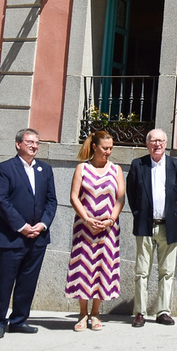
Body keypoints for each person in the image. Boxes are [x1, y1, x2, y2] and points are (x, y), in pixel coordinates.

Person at [0, 128, 57, 338]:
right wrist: (22, 226)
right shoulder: (5, 168)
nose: (34, 146)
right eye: (29, 142)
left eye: (37, 142)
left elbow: (51, 201)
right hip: (11, 237)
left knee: (28, 282)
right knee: (5, 282)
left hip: (37, 238)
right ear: (18, 144)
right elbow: (2, 200)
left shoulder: (45, 170)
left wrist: (43, 225)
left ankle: (19, 320)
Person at [126, 128, 177, 327]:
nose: (157, 144)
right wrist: (139, 214)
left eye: (160, 141)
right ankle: (140, 313)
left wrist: (172, 216)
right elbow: (132, 195)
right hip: (145, 224)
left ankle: (163, 312)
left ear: (166, 143)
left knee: (167, 271)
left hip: (168, 227)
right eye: (153, 141)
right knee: (141, 271)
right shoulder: (138, 165)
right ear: (147, 144)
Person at [66, 131, 125, 332]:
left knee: (102, 268)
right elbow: (74, 197)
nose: (108, 152)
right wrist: (87, 219)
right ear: (94, 147)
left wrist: (110, 220)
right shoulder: (82, 168)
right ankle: (82, 313)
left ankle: (97, 312)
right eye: (105, 148)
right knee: (83, 267)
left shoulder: (116, 169)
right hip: (84, 228)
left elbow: (120, 199)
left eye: (111, 148)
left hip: (108, 229)